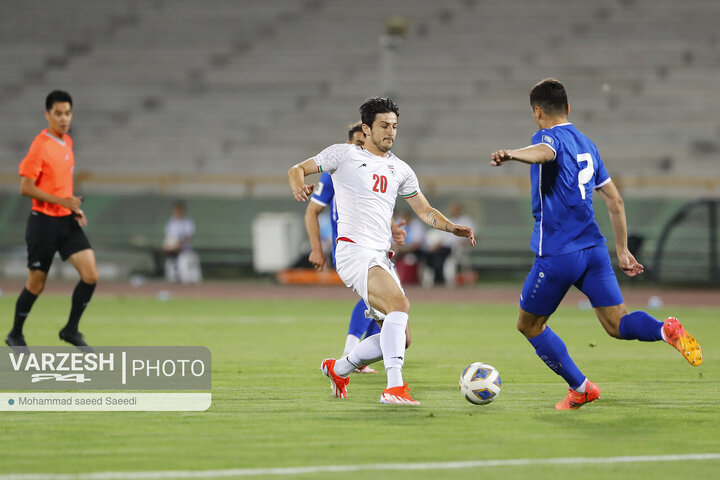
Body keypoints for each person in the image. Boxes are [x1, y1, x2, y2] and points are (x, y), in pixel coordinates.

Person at [490, 78, 702, 410]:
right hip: (594, 250)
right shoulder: (588, 144)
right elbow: (615, 201)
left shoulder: (546, 137)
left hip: (559, 253)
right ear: (569, 109)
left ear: (537, 111)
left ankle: (581, 387)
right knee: (618, 323)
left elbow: (545, 152)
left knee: (529, 324)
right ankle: (665, 329)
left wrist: (512, 154)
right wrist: (622, 250)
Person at [289, 97, 475, 405]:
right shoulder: (344, 154)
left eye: (395, 127)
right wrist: (297, 184)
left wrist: (450, 227)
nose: (391, 132)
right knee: (400, 303)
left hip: (381, 256)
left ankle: (340, 367)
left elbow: (425, 210)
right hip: (353, 252)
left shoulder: (399, 168)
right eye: (384, 126)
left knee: (402, 338)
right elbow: (297, 169)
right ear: (366, 128)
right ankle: (394, 388)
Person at [5, 90, 98, 349]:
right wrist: (61, 202)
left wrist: (72, 207)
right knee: (37, 283)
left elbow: (60, 186)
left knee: (90, 275)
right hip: (43, 222)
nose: (64, 118)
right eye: (58, 113)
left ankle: (70, 330)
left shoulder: (67, 143)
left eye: (67, 113)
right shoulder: (40, 145)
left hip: (66, 221)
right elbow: (25, 187)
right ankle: (15, 334)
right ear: (47, 115)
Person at [305, 122, 391, 374]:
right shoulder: (336, 172)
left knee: (383, 304)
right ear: (347, 144)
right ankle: (350, 355)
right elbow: (312, 211)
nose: (361, 147)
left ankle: (357, 357)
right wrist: (316, 248)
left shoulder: (375, 170)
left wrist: (394, 226)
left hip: (375, 244)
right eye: (356, 142)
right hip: (352, 247)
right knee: (380, 300)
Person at [163, 201, 202, 284]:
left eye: (178, 210)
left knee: (185, 275)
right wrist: (167, 246)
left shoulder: (188, 222)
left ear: (182, 211)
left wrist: (177, 245)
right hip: (173, 251)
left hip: (185, 250)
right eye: (175, 210)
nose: (176, 212)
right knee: (171, 271)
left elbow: (188, 237)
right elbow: (169, 237)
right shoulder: (171, 223)